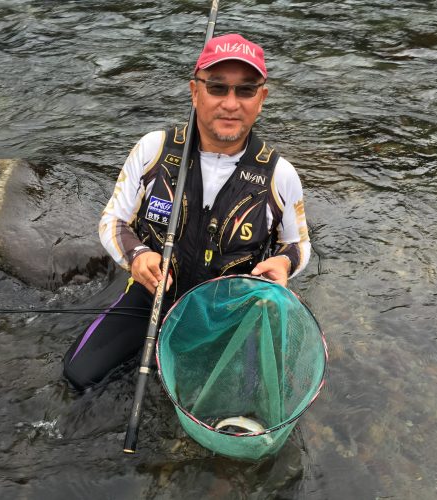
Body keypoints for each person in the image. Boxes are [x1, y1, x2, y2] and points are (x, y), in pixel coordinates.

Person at [63, 33, 311, 390]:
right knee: (78, 376)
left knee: (247, 404)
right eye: (217, 88)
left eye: (245, 90)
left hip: (233, 311)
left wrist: (284, 264)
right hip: (154, 295)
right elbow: (113, 220)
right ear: (195, 92)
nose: (230, 103)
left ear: (262, 99)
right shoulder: (154, 150)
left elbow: (298, 244)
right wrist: (136, 255)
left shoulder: (280, 175)